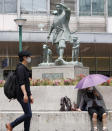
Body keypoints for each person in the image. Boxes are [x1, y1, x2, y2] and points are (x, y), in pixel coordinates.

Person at [6, 50, 34, 131]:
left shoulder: (24, 68)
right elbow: (22, 83)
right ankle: (11, 125)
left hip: (25, 94)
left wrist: (30, 95)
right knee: (28, 114)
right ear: (24, 58)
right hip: (21, 95)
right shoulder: (20, 68)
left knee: (27, 115)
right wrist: (25, 94)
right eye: (29, 56)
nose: (30, 58)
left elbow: (27, 84)